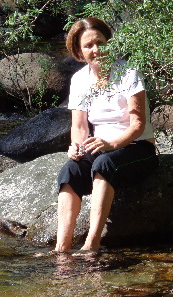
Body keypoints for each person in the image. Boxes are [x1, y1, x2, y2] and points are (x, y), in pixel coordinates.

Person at [54, 17, 159, 253]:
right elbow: (80, 127)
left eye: (100, 43)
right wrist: (76, 148)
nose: (96, 50)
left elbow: (138, 124)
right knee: (70, 169)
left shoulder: (129, 73)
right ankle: (62, 248)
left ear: (110, 43)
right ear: (79, 52)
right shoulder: (79, 80)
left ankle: (92, 244)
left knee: (104, 163)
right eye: (89, 46)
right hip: (101, 147)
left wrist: (111, 144)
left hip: (137, 148)